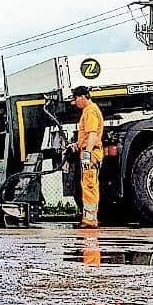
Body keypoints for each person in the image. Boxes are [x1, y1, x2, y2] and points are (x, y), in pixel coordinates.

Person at [70, 85, 104, 230]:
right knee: (88, 184)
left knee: (89, 185)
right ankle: (89, 217)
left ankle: (90, 220)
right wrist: (77, 145)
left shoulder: (90, 111)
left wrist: (86, 154)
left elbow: (92, 134)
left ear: (83, 97)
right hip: (89, 151)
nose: (75, 103)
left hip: (90, 153)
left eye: (76, 99)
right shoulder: (90, 110)